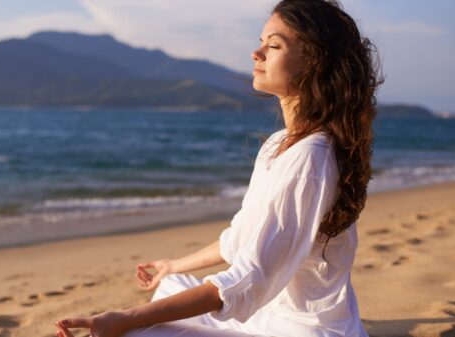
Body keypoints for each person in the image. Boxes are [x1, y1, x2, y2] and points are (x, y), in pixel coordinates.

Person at [55, 0, 384, 336]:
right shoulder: (281, 144)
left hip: (300, 329)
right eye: (260, 42)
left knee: (135, 330)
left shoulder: (310, 156)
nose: (256, 54)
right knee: (173, 286)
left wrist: (128, 317)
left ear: (316, 62)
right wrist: (172, 266)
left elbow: (247, 277)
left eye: (273, 45)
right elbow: (239, 239)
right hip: (269, 314)